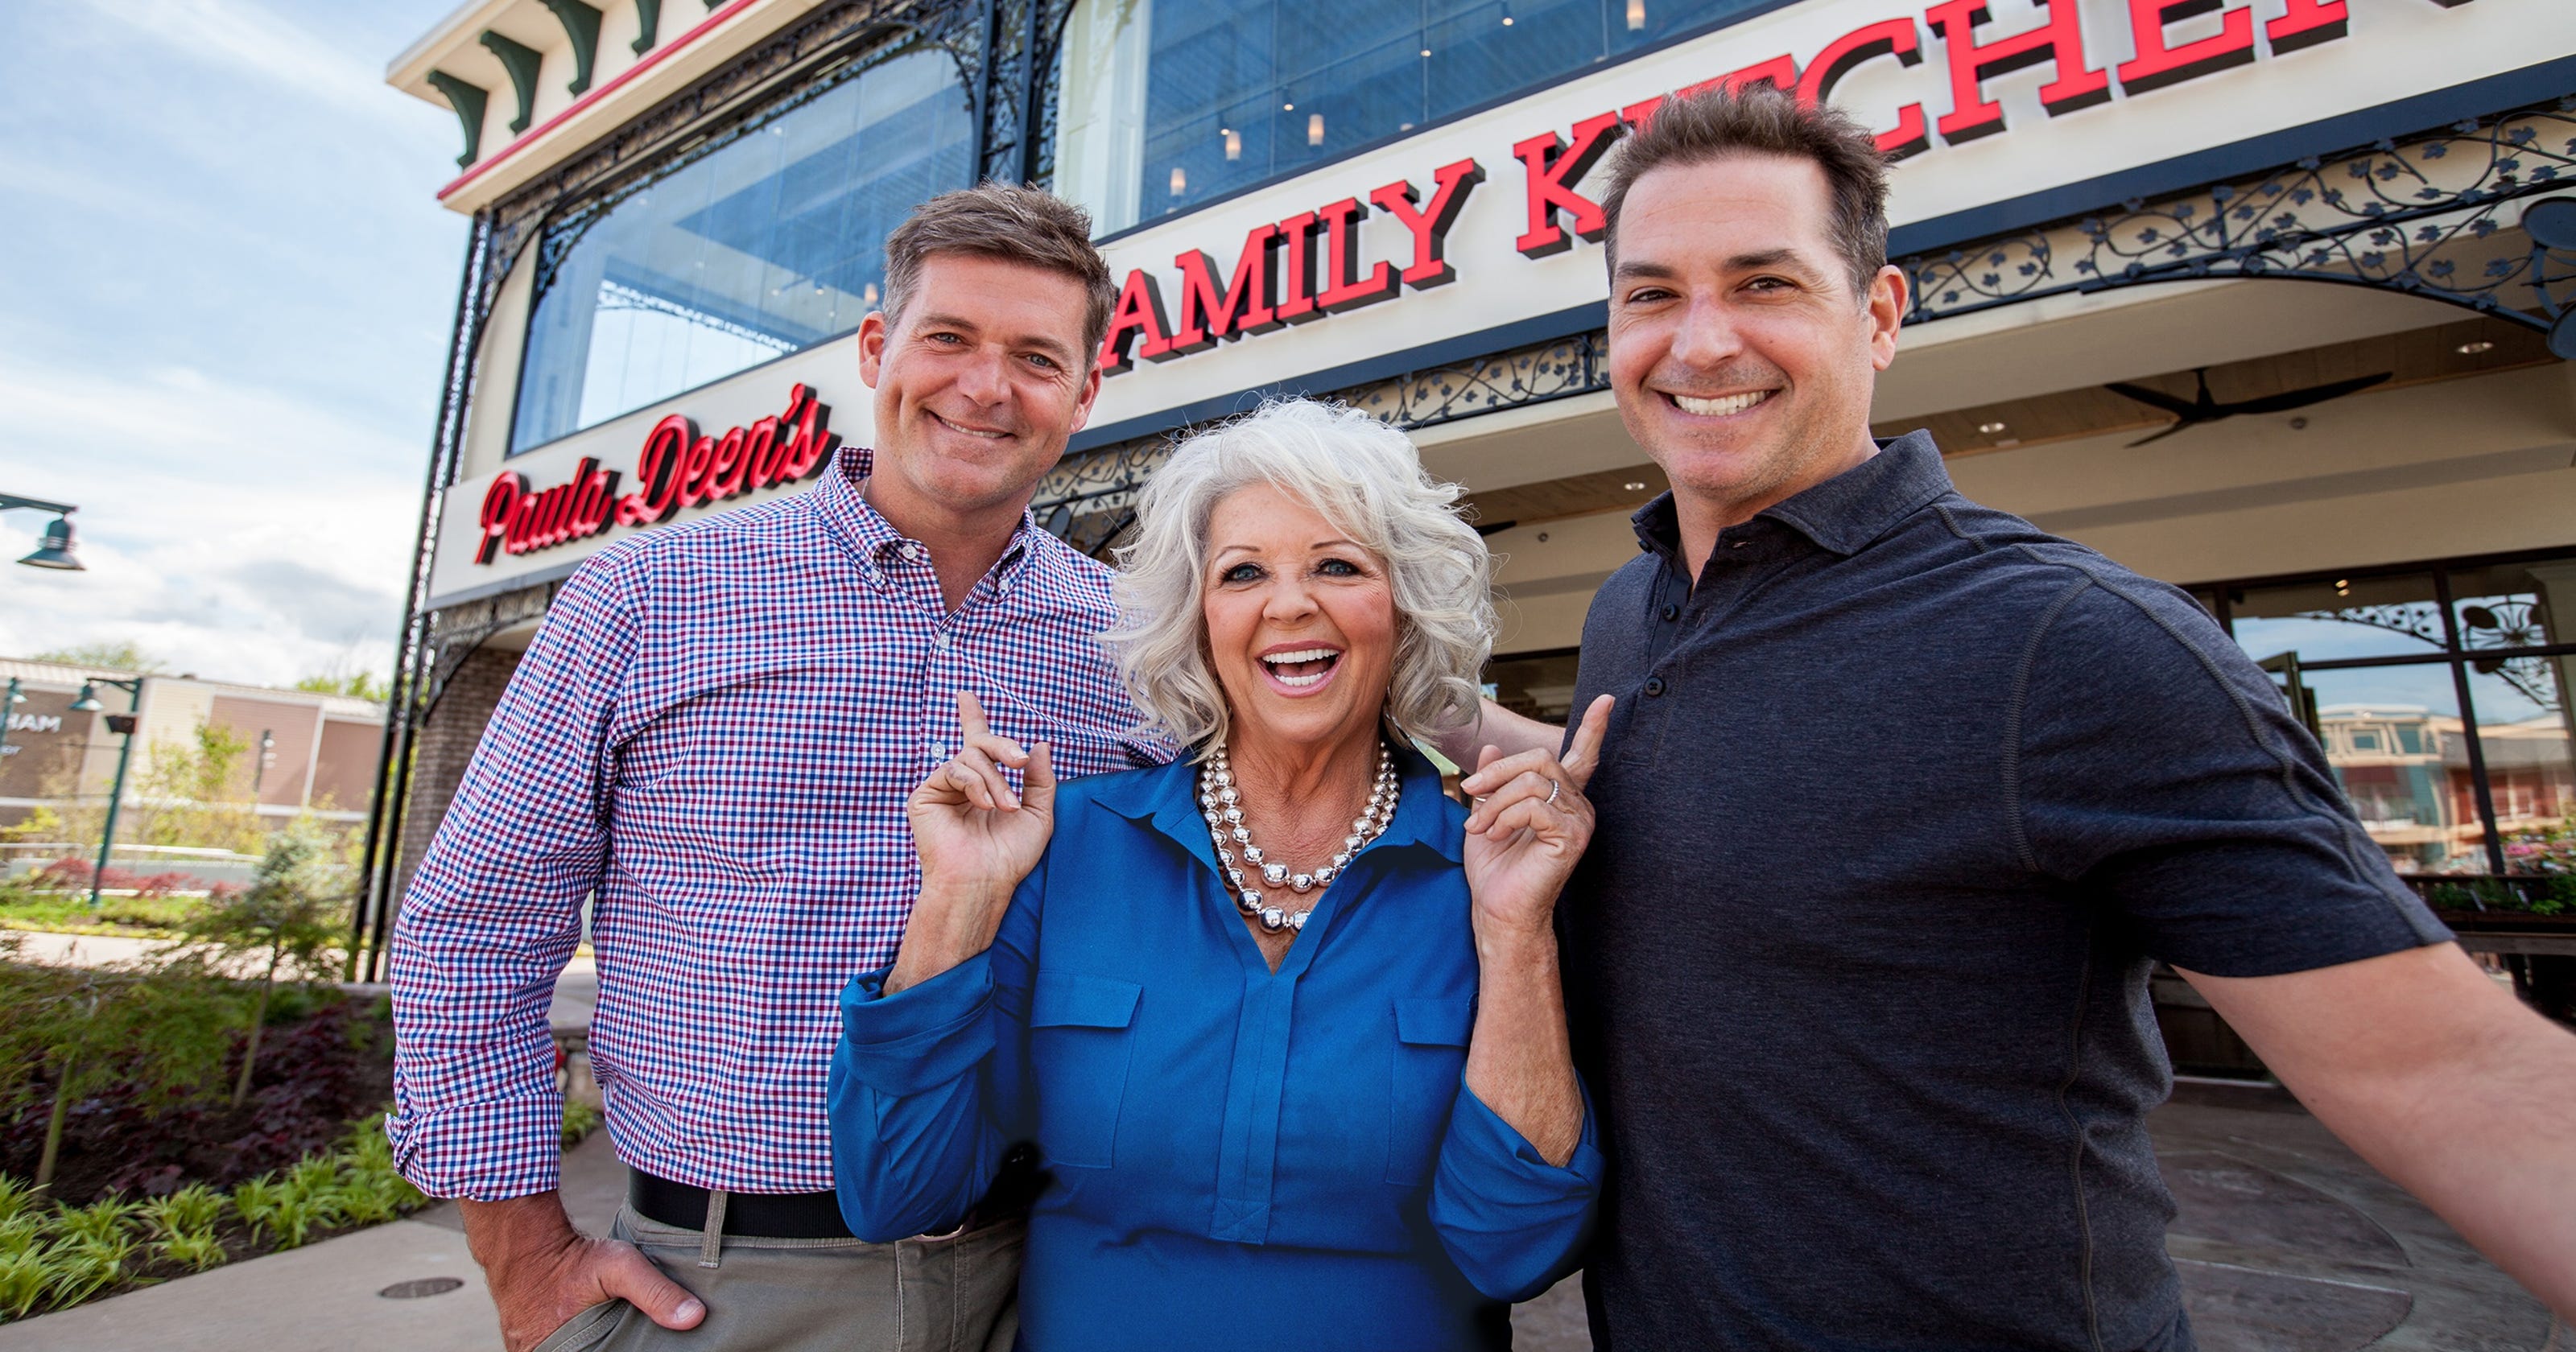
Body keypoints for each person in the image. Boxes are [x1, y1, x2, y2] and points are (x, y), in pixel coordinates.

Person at [1454, 88, 2576, 1348]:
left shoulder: (2072, 644)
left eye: (1764, 282)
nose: (1701, 341)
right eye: (1652, 293)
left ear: (1880, 315)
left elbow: (2440, 1068)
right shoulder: (1632, 605)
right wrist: (1384, 696)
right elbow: (1653, 783)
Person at [387, 183, 1170, 1352]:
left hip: (1055, 1273)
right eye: (947, 338)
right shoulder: (647, 596)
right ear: (875, 348)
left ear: (1084, 392)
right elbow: (474, 931)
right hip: (733, 1285)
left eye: (1035, 357)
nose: (985, 386)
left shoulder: (1136, 637)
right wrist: (526, 1256)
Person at [827, 398, 1612, 1351]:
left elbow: (1515, 1249)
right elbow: (897, 1191)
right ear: (1197, 623)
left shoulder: (1492, 869)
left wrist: (1517, 932)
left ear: (1401, 611)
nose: (1289, 604)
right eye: (1243, 573)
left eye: (1337, 565)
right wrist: (956, 899)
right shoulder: (1069, 844)